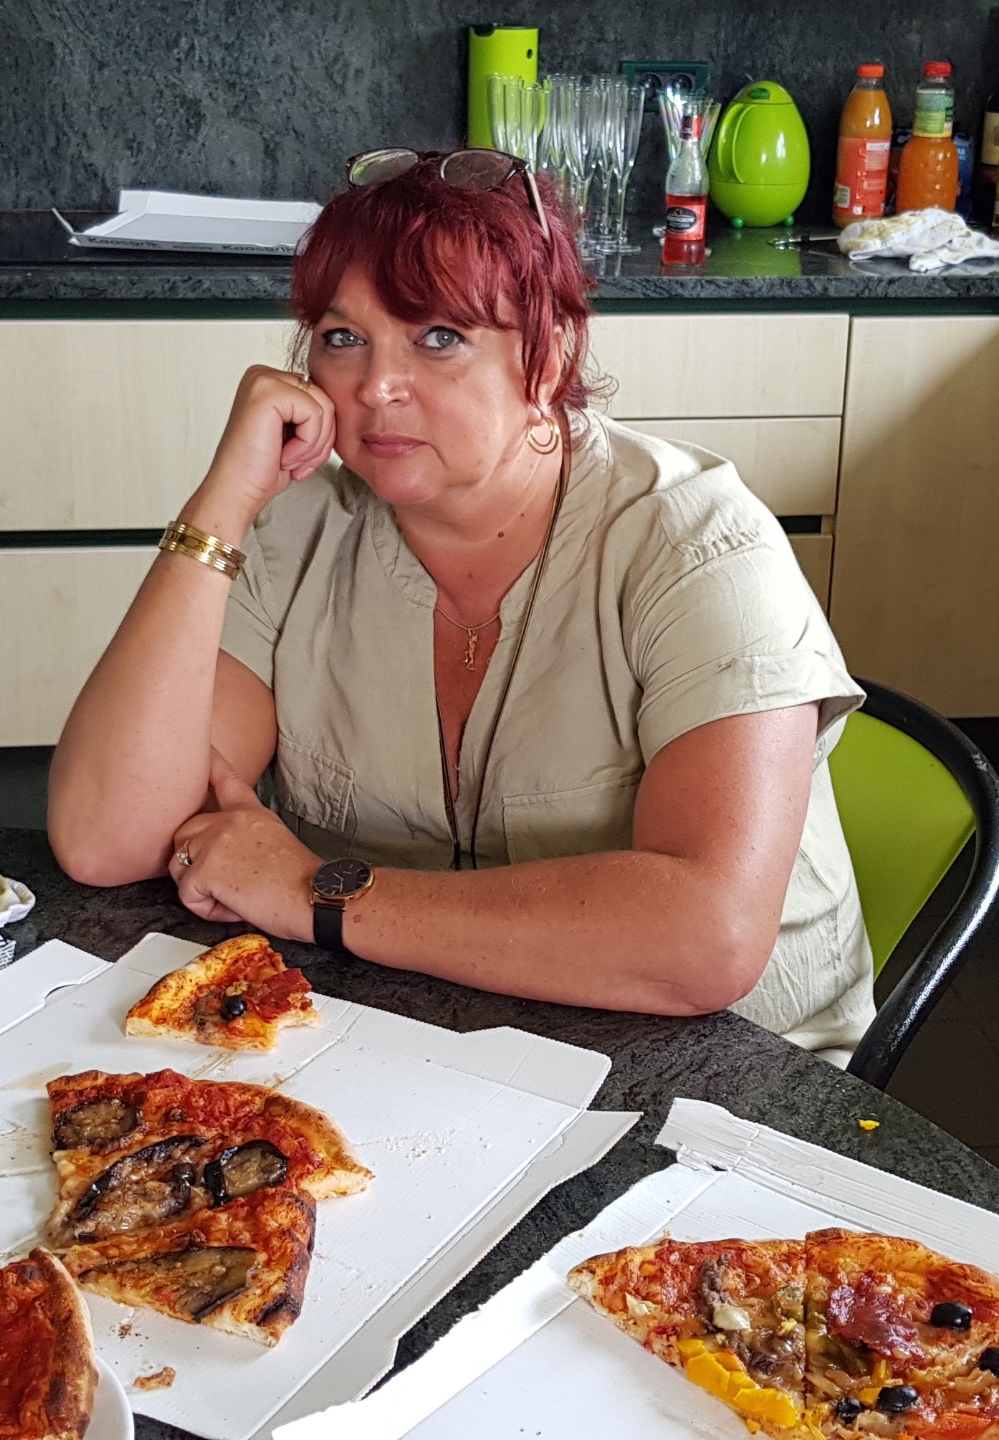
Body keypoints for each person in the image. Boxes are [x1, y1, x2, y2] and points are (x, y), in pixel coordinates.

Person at [47, 147, 875, 1054]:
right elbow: (108, 840)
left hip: (728, 1071)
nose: (375, 387)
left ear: (549, 353)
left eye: (438, 336)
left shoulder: (696, 542)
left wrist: (314, 893)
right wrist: (222, 503)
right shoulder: (297, 527)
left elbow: (703, 942)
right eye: (342, 337)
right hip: (422, 1037)